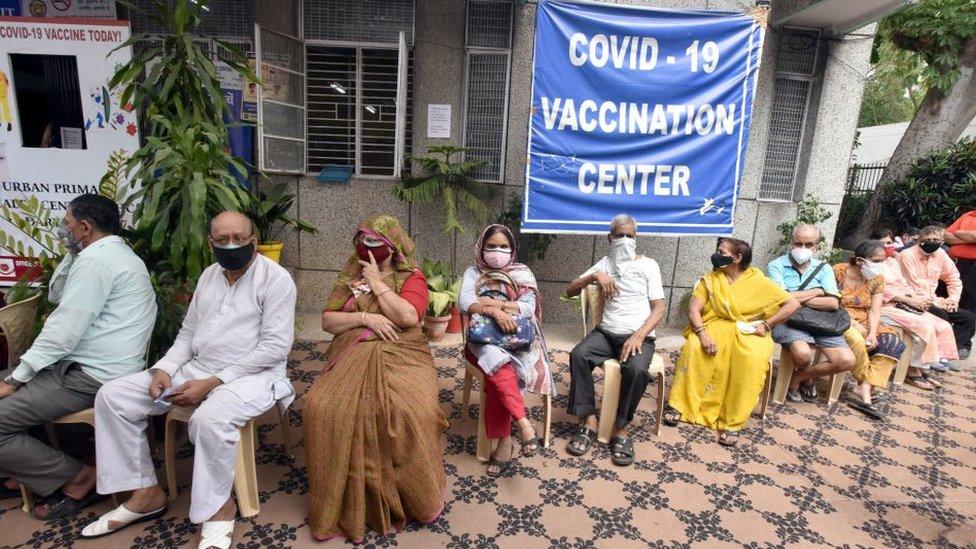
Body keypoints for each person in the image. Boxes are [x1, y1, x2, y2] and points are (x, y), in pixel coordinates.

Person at [82, 212, 296, 549]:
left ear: (254, 240)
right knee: (113, 396)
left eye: (239, 238)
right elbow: (188, 334)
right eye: (222, 239)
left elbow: (274, 348)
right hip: (198, 368)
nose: (231, 245)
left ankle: (219, 510)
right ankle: (144, 494)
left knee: (210, 419)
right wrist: (164, 369)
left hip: (254, 376)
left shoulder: (276, 279)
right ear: (210, 243)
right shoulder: (210, 275)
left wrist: (213, 382)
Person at [0, 194, 155, 519]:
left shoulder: (98, 262)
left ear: (84, 227)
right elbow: (58, 294)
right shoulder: (106, 255)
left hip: (90, 374)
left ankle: (79, 477)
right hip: (82, 366)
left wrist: (17, 379)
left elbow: (64, 329)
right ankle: (21, 472)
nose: (63, 229)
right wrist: (73, 253)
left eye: (67, 225)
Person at [304, 215, 446, 543]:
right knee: (322, 408)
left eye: (375, 241)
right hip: (354, 351)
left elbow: (409, 317)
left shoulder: (411, 276)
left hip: (403, 356)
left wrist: (377, 283)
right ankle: (342, 500)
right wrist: (365, 317)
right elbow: (328, 321)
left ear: (393, 246)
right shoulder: (349, 275)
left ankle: (415, 496)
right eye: (363, 240)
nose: (367, 248)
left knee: (410, 410)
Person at [664, 238, 799, 446]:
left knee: (751, 359)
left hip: (749, 331)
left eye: (722, 252)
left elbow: (792, 304)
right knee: (694, 347)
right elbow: (693, 310)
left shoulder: (758, 281)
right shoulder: (710, 279)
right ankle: (680, 405)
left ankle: (733, 421)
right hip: (712, 326)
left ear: (737, 258)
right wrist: (703, 334)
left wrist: (766, 325)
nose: (717, 255)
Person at [564, 214, 666, 466]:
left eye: (629, 236)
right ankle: (589, 420)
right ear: (610, 237)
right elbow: (570, 290)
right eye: (619, 235)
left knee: (636, 370)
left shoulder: (649, 265)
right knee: (579, 355)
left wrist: (639, 335)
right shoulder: (605, 264)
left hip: (638, 335)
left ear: (636, 238)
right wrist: (595, 276)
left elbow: (659, 308)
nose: (624, 240)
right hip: (606, 333)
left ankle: (621, 428)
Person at [459, 224, 552, 476]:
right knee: (495, 360)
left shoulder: (522, 273)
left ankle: (505, 440)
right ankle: (522, 426)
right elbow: (466, 301)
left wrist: (487, 303)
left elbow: (527, 308)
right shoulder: (473, 272)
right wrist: (494, 311)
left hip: (516, 340)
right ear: (481, 248)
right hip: (480, 342)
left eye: (504, 246)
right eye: (491, 246)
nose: (497, 252)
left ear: (513, 250)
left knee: (499, 371)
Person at [767, 224, 855, 403]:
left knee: (846, 360)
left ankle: (799, 377)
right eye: (798, 243)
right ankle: (806, 378)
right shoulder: (776, 266)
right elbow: (783, 300)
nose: (803, 248)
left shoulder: (824, 268)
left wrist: (796, 298)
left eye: (809, 245)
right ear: (790, 243)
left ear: (817, 246)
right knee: (803, 353)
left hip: (821, 322)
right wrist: (817, 291)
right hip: (788, 319)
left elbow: (832, 303)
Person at [833, 241, 907, 419]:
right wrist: (851, 322)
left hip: (866, 319)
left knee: (892, 342)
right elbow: (830, 302)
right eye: (876, 261)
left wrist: (873, 333)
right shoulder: (838, 271)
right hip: (838, 318)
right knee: (857, 340)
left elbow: (875, 310)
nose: (880, 265)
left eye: (883, 261)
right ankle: (867, 395)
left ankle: (863, 387)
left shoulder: (877, 279)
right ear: (859, 261)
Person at [878, 250, 957, 390]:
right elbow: (877, 290)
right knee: (925, 326)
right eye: (885, 243)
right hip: (883, 306)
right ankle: (912, 369)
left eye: (890, 243)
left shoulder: (892, 263)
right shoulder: (871, 265)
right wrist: (907, 299)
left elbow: (904, 284)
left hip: (902, 304)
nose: (888, 247)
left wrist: (914, 298)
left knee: (942, 325)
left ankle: (924, 366)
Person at [897, 225, 975, 360]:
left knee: (968, 318)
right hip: (911, 299)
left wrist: (953, 300)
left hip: (933, 300)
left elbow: (953, 278)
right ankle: (931, 357)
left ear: (942, 242)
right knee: (941, 315)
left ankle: (945, 354)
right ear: (919, 240)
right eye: (929, 239)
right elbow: (915, 285)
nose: (932, 242)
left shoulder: (941, 254)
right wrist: (939, 303)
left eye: (936, 239)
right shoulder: (907, 255)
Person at [944, 210, 976, 317]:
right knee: (955, 292)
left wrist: (959, 232)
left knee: (970, 298)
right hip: (956, 263)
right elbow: (946, 237)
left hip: (973, 265)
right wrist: (970, 238)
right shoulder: (968, 215)